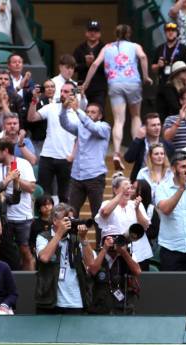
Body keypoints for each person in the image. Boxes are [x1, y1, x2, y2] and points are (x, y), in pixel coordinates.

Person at [82, 24, 152, 171]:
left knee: (119, 120)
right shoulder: (134, 46)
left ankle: (116, 152)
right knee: (135, 116)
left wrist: (86, 84)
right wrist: (145, 76)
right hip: (133, 82)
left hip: (114, 83)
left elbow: (94, 64)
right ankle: (137, 148)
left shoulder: (107, 47)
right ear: (129, 34)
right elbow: (143, 56)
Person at [59, 97, 111, 238]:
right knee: (71, 213)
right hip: (77, 176)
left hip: (95, 177)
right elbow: (65, 124)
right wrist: (64, 109)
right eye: (88, 111)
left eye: (93, 112)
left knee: (98, 216)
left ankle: (102, 247)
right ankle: (70, 243)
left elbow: (92, 127)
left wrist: (78, 110)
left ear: (100, 115)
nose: (89, 114)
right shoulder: (81, 125)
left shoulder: (104, 127)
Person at [35, 203, 94, 313]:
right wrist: (59, 234)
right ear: (55, 221)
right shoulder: (43, 237)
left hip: (75, 301)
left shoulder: (76, 238)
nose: (70, 222)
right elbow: (44, 257)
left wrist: (84, 238)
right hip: (50, 301)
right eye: (66, 219)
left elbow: (91, 264)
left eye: (72, 219)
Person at [27, 81, 78, 203]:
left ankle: (65, 220)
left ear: (74, 94)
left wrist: (73, 156)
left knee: (64, 196)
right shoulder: (52, 107)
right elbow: (31, 118)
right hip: (47, 156)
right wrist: (34, 100)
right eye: (61, 91)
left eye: (66, 91)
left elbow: (80, 139)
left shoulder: (78, 113)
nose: (62, 93)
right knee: (44, 195)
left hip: (67, 158)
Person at [0, 139, 36, 271]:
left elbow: (31, 188)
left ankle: (28, 284)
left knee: (25, 251)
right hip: (4, 218)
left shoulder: (23, 164)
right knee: (5, 254)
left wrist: (16, 179)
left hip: (23, 216)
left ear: (5, 151)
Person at [95, 175, 152, 265]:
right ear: (115, 189)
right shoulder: (106, 204)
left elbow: (145, 226)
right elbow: (105, 213)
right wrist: (121, 194)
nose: (128, 190)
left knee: (141, 278)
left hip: (140, 253)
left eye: (130, 188)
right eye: (125, 188)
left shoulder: (137, 204)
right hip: (116, 253)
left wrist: (137, 209)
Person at [87, 234, 142, 314]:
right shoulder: (96, 254)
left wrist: (123, 252)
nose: (113, 241)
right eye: (110, 238)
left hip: (122, 308)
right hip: (100, 307)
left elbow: (137, 272)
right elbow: (93, 271)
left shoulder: (128, 255)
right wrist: (104, 249)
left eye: (116, 238)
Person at [73, 20, 107, 109]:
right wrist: (86, 65)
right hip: (82, 87)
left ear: (100, 33)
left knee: (98, 111)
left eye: (96, 31)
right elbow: (73, 67)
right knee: (80, 111)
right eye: (90, 31)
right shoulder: (79, 48)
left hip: (99, 88)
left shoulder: (105, 48)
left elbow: (110, 68)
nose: (93, 33)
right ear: (86, 33)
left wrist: (95, 63)